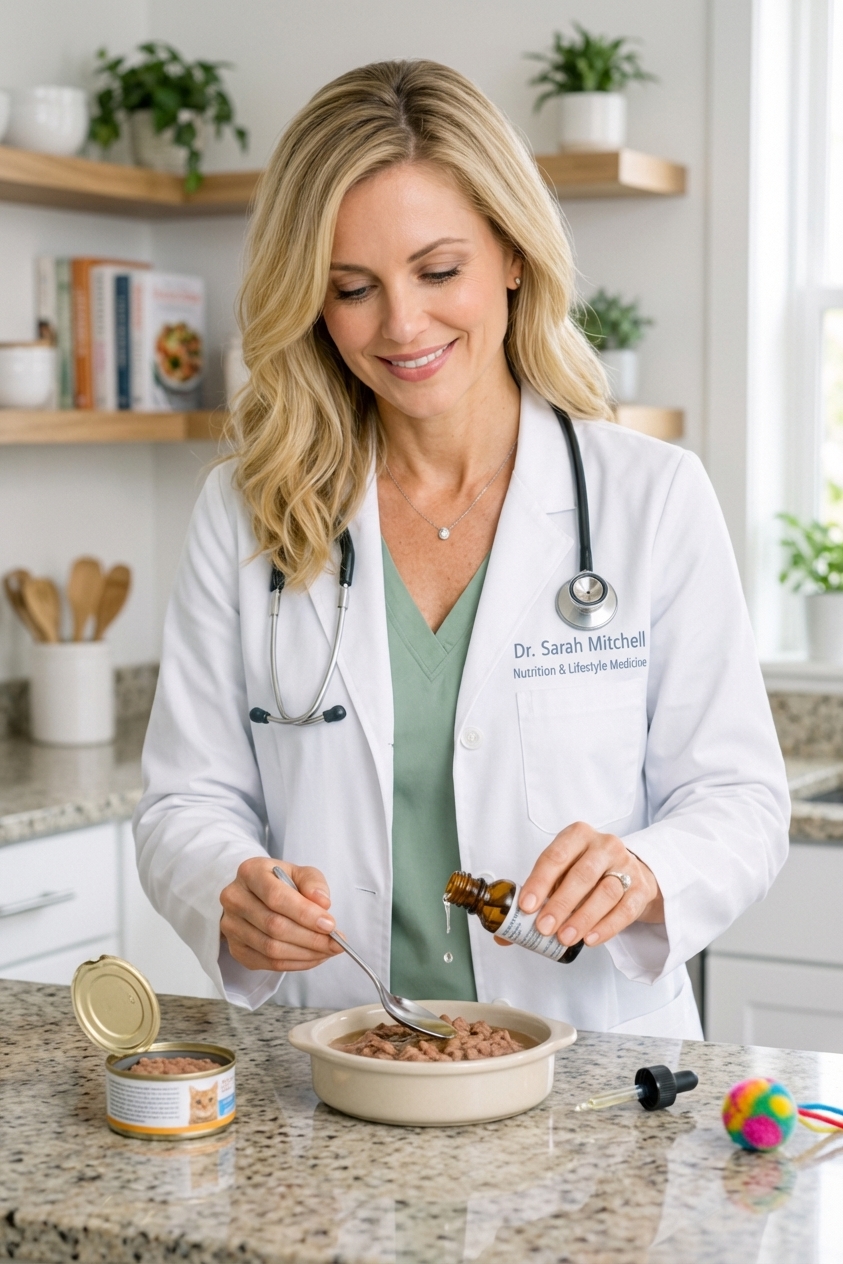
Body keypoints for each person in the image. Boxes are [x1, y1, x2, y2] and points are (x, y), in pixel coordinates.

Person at [134, 60, 789, 1037]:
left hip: (591, 1071)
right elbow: (185, 799)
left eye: (439, 271)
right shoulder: (246, 512)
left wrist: (649, 870)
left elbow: (739, 801)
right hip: (341, 1063)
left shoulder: (649, 499)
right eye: (352, 288)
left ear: (513, 255)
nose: (402, 324)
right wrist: (231, 885)